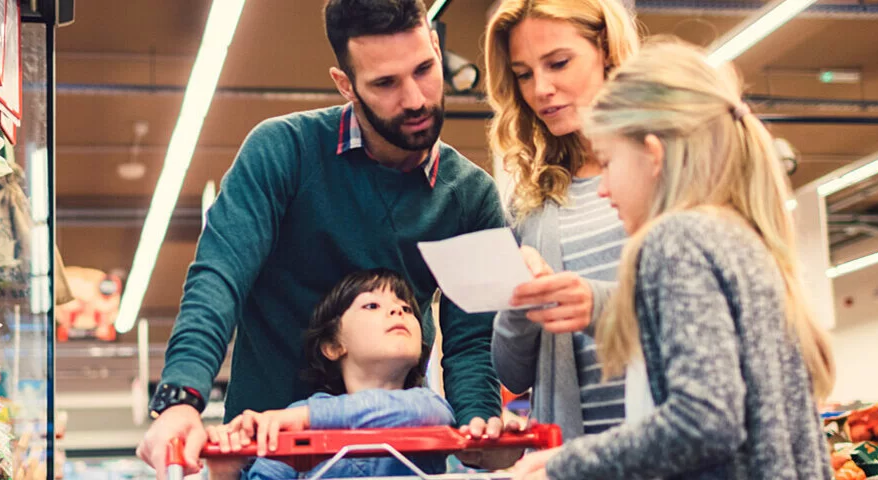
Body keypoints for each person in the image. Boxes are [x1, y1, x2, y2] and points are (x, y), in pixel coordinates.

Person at [136, 1, 513, 477]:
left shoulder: (473, 197)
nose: (415, 99)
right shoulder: (283, 152)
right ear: (345, 85)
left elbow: (474, 340)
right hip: (270, 459)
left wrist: (480, 426)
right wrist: (181, 397)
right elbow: (219, 276)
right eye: (385, 83)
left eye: (424, 69)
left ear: (437, 46)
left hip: (403, 459)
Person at [507, 39, 838, 479]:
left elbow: (705, 419)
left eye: (607, 163)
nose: (603, 189)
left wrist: (567, 463)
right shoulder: (741, 236)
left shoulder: (675, 240)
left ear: (653, 155)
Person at [482, 0, 641, 440]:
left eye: (558, 63)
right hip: (573, 455)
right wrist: (520, 306)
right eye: (524, 74)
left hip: (678, 452)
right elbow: (513, 374)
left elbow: (709, 311)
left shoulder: (669, 167)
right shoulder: (535, 204)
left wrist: (596, 303)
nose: (540, 90)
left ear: (606, 49)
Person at [206, 269, 461, 479]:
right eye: (372, 305)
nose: (397, 312)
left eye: (407, 309)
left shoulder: (426, 405)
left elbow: (423, 413)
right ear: (333, 346)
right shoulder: (301, 413)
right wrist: (224, 473)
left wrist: (307, 418)